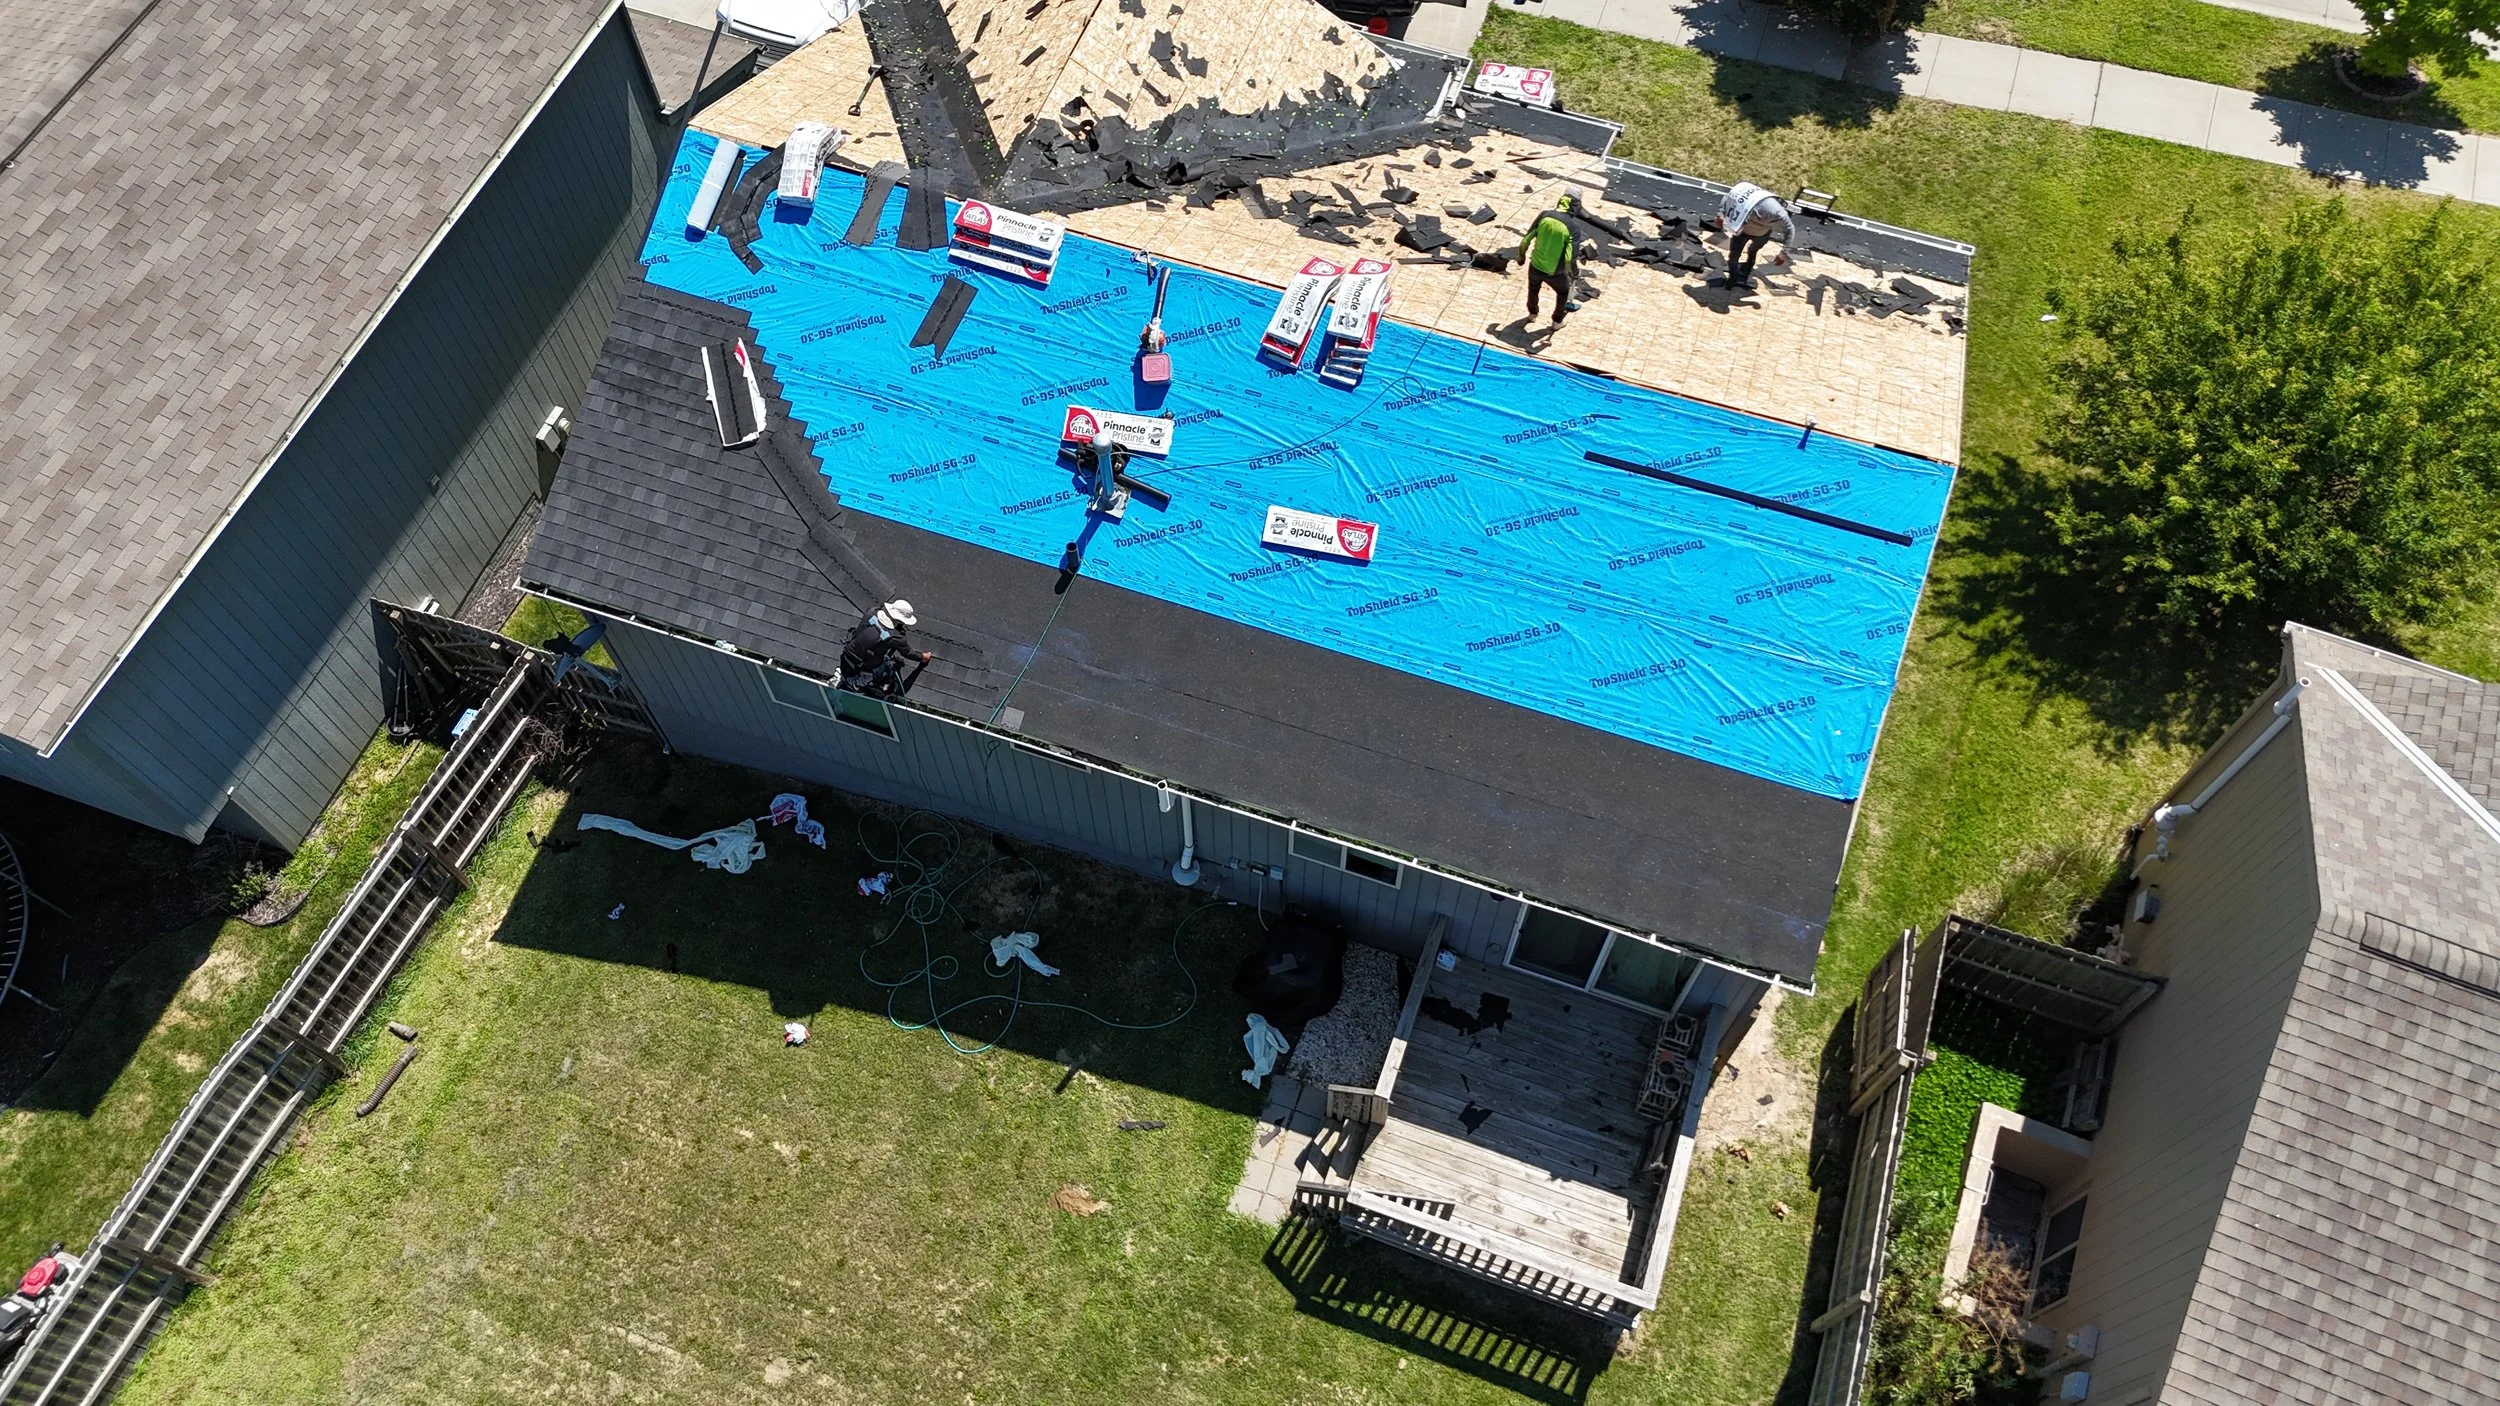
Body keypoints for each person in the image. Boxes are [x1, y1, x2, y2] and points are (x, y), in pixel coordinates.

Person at [1712, 181, 1796, 289]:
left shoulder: (1780, 214)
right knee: (1733, 256)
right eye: (1757, 217)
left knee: (1752, 251)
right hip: (1742, 232)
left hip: (1762, 235)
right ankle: (1733, 277)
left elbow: (1790, 229)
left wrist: (1783, 253)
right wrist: (1720, 213)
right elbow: (1728, 197)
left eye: (1761, 219)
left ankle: (1745, 273)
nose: (1759, 220)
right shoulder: (1748, 203)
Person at [1515, 195, 1581, 327]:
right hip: (1555, 272)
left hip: (1535, 265)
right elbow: (1569, 257)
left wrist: (1521, 257)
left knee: (1533, 289)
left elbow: (1525, 240)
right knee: (1563, 293)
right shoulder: (1573, 228)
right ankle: (1557, 321)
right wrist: (1573, 272)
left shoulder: (1544, 215)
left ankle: (1532, 314)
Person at [841, 600, 930, 698]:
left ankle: (845, 675)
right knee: (886, 669)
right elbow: (908, 653)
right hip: (862, 665)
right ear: (901, 620)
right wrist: (923, 657)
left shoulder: (872, 612)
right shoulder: (896, 637)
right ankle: (856, 683)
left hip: (847, 653)